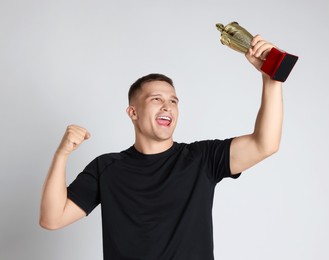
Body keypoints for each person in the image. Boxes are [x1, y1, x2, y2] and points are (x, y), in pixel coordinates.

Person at [40, 35, 284, 260]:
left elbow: (265, 144)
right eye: (156, 99)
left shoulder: (201, 159)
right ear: (133, 112)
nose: (167, 106)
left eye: (173, 101)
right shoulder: (106, 168)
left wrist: (271, 78)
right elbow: (52, 218)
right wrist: (61, 155)